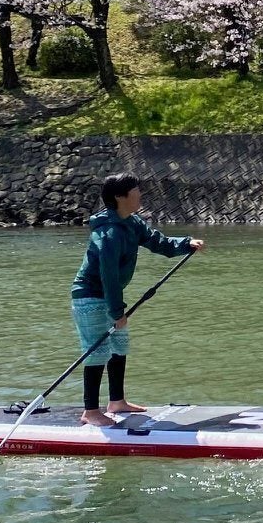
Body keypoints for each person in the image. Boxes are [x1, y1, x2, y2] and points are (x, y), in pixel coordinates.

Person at [68, 173, 205, 427]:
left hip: (109, 297)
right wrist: (117, 310)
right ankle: (90, 411)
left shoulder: (132, 223)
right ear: (120, 197)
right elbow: (107, 275)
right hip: (90, 296)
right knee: (97, 351)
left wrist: (186, 243)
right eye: (135, 190)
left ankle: (117, 401)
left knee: (120, 345)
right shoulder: (107, 233)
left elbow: (159, 243)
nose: (140, 193)